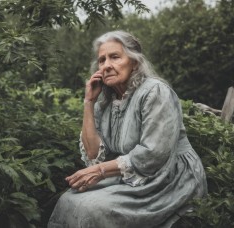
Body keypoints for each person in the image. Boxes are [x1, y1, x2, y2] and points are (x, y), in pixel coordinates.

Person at [48, 30, 207, 228]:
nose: (106, 65)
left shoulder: (154, 91)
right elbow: (92, 153)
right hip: (132, 176)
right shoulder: (105, 101)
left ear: (135, 62)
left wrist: (100, 170)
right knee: (67, 200)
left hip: (169, 178)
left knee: (90, 209)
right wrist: (89, 101)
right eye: (102, 60)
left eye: (115, 57)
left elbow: (154, 153)